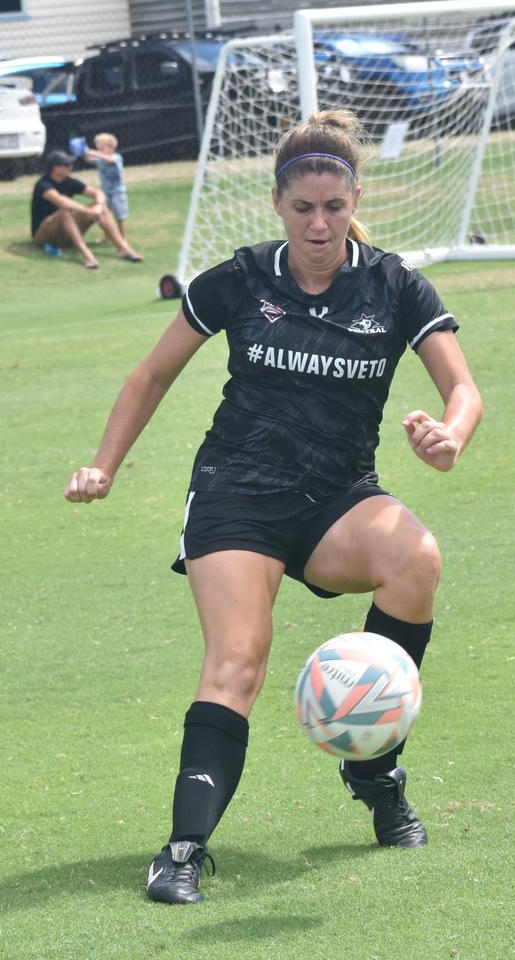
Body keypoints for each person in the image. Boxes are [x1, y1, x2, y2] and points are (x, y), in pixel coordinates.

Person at [64, 109, 483, 905]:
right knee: (239, 660)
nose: (320, 224)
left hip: (336, 499)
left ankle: (372, 766)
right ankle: (182, 850)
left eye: (334, 206)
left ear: (356, 196)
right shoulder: (241, 277)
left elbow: (461, 388)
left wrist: (450, 436)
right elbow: (151, 375)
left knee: (415, 559)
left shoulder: (395, 284)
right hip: (236, 493)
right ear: (276, 204)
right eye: (303, 209)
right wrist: (104, 465)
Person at [31, 149, 143, 269]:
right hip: (44, 236)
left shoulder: (69, 182)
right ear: (55, 168)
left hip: (67, 234)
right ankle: (87, 255)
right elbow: (62, 201)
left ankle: (123, 249)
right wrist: (89, 211)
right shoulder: (43, 184)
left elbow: (97, 192)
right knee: (64, 212)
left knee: (100, 207)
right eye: (67, 165)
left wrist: (99, 205)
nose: (71, 167)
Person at [84, 133, 130, 240]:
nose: (98, 148)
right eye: (98, 146)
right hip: (105, 192)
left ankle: (122, 237)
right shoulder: (100, 159)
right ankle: (107, 235)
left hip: (118, 192)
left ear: (111, 147)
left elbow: (110, 160)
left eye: (101, 146)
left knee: (120, 216)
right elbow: (89, 160)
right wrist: (85, 152)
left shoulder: (116, 157)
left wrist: (95, 153)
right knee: (102, 214)